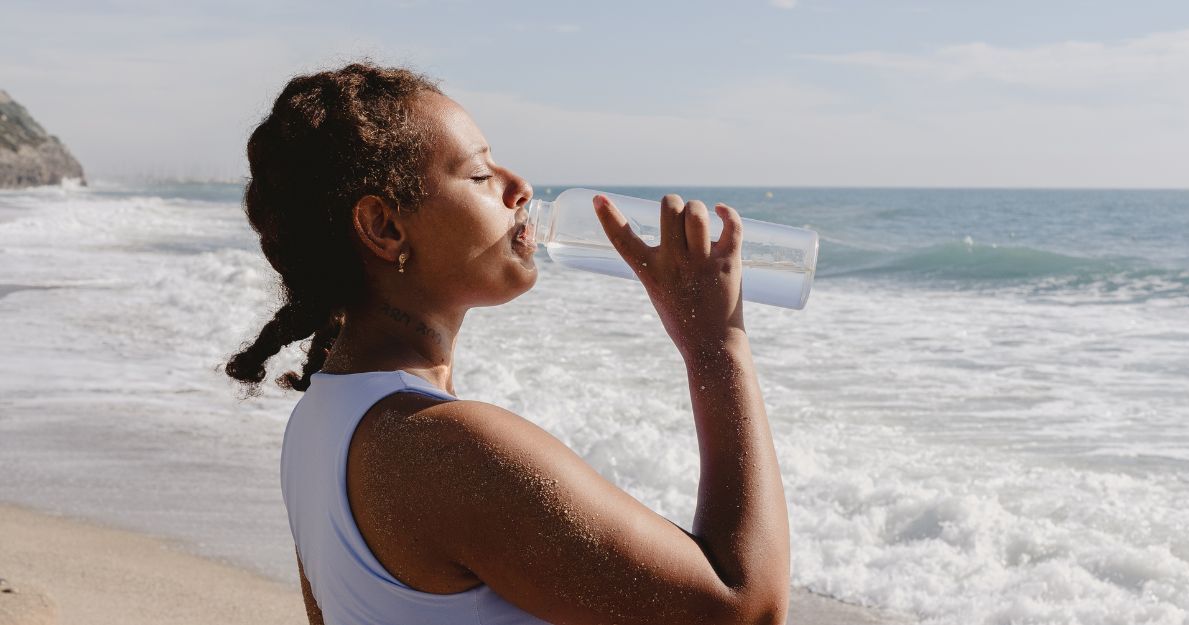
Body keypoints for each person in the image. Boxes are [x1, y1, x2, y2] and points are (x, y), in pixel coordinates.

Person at [224, 61, 790, 625]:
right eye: (479, 175)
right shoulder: (446, 449)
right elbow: (746, 609)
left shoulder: (318, 423)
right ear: (384, 227)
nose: (520, 187)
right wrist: (715, 344)